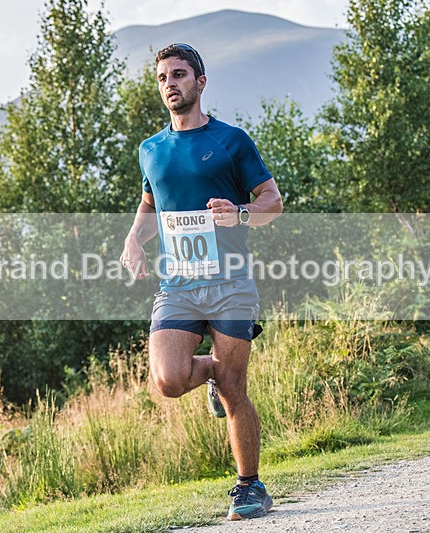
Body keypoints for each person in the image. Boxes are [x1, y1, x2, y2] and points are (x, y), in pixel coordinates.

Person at [119, 43, 283, 520]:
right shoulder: (151, 150)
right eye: (163, 77)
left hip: (231, 282)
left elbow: (272, 200)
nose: (170, 83)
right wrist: (134, 240)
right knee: (169, 380)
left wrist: (242, 214)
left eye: (179, 74)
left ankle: (249, 487)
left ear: (200, 82)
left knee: (236, 389)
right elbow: (152, 206)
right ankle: (210, 370)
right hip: (179, 285)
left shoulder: (232, 141)